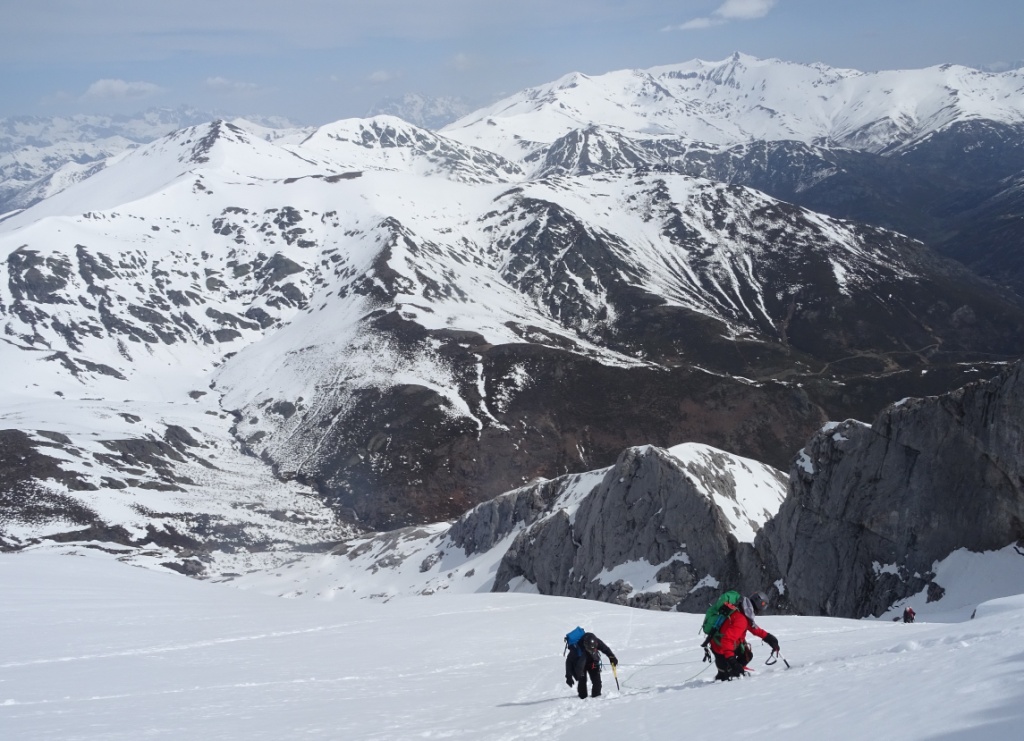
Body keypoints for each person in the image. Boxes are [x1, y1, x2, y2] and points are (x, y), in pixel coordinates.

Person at [709, 591, 779, 681]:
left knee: (747, 655)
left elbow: (753, 627)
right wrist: (732, 661)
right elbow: (727, 640)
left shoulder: (743, 609)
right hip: (720, 647)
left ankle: (732, 672)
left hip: (720, 642)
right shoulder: (742, 619)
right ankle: (728, 674)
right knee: (723, 678)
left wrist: (768, 638)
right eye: (763, 604)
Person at [565, 631, 617, 699]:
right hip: (580, 666)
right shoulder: (576, 648)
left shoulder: (597, 641)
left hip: (593, 663)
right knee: (582, 682)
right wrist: (568, 677)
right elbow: (569, 662)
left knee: (597, 682)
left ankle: (596, 699)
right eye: (589, 649)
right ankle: (582, 699)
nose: (592, 651)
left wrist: (612, 657)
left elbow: (606, 649)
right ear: (585, 645)